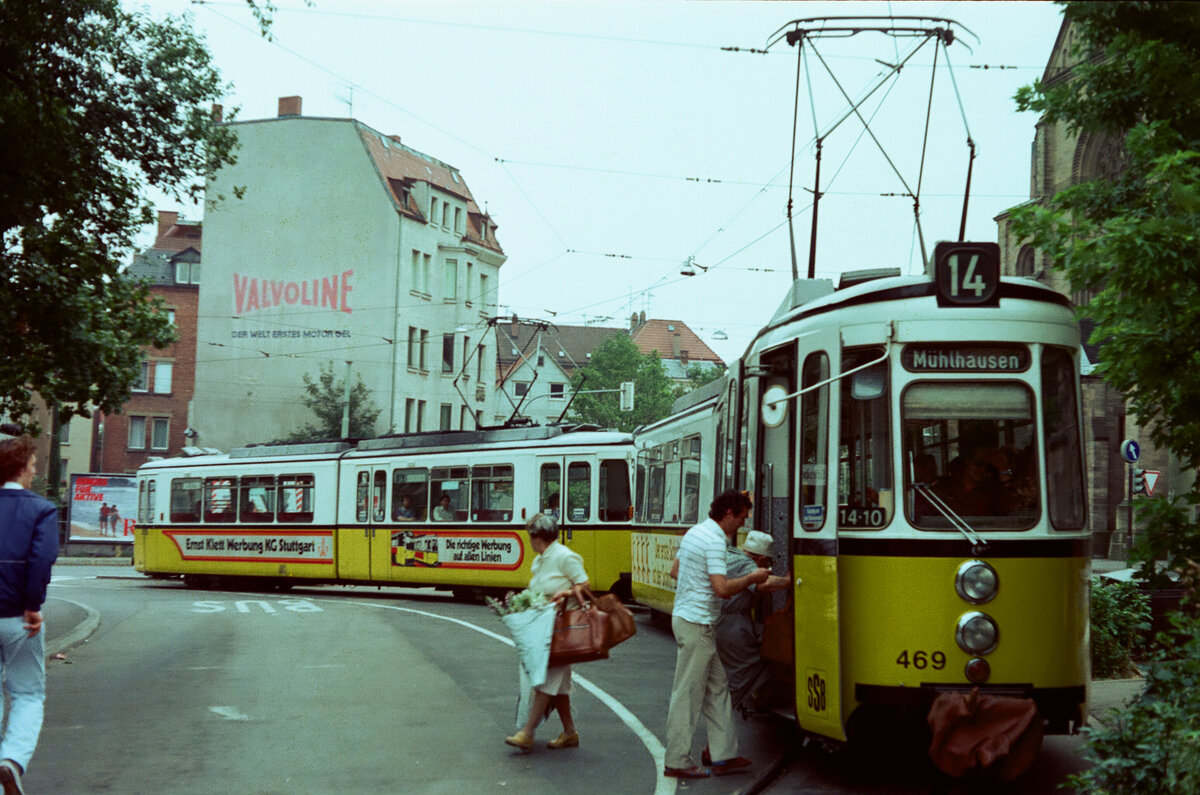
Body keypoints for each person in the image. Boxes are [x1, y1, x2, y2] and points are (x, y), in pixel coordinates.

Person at [662, 490, 769, 779]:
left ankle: (724, 754)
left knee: (718, 688)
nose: (743, 525)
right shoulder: (714, 542)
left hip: (692, 620)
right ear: (729, 514)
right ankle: (677, 760)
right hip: (697, 624)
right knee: (688, 693)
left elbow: (675, 571)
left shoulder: (695, 533)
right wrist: (751, 577)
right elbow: (722, 589)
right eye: (742, 518)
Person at [0, 431, 59, 795]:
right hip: (18, 618)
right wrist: (33, 607)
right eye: (34, 465)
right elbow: (41, 560)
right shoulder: (41, 510)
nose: (35, 472)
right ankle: (12, 759)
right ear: (21, 467)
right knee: (28, 694)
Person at [505, 513, 589, 752]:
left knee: (545, 678)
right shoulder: (540, 560)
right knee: (558, 685)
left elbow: (585, 585)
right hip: (543, 629)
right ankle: (570, 733)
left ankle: (527, 732)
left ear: (537, 537)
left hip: (561, 631)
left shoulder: (564, 556)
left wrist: (566, 594)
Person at [714, 530, 790, 716]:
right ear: (761, 558)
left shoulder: (730, 556)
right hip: (731, 623)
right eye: (767, 562)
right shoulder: (746, 564)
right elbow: (763, 584)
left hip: (720, 620)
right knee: (748, 666)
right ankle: (727, 705)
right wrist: (788, 581)